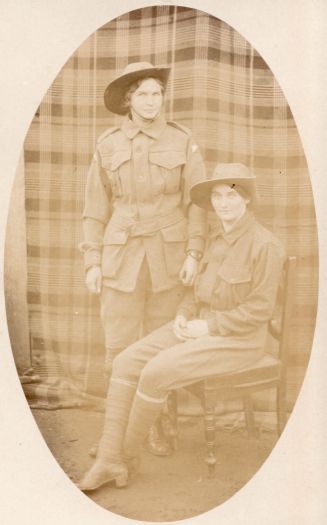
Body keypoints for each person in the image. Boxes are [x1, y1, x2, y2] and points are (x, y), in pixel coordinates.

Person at [77, 162, 286, 491]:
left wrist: (209, 327)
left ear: (247, 200)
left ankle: (123, 458)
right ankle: (108, 457)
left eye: (231, 196)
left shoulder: (266, 246)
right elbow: (195, 291)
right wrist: (184, 314)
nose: (223, 203)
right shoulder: (216, 239)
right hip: (198, 327)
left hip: (239, 341)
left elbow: (259, 311)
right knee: (125, 361)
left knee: (155, 373)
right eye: (216, 197)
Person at [79, 62, 207, 455]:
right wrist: (93, 261)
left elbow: (197, 201)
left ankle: (156, 427)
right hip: (121, 258)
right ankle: (114, 434)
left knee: (162, 346)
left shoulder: (182, 140)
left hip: (168, 258)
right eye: (143, 94)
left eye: (157, 93)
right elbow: (94, 208)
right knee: (118, 344)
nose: (152, 101)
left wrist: (193, 252)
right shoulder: (108, 144)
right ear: (128, 100)